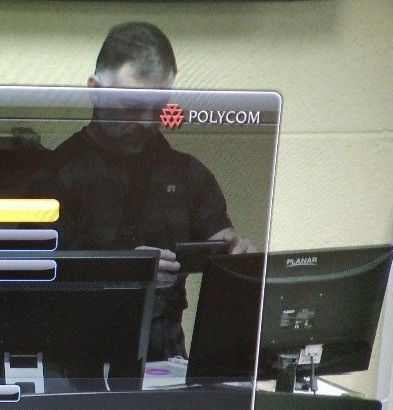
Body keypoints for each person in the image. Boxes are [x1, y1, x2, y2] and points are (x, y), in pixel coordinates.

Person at [28, 21, 254, 361]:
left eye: (159, 107)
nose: (147, 121)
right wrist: (122, 269)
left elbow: (221, 240)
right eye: (132, 105)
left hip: (166, 358)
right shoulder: (54, 178)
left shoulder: (190, 174)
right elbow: (33, 285)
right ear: (95, 90)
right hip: (75, 360)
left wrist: (236, 261)